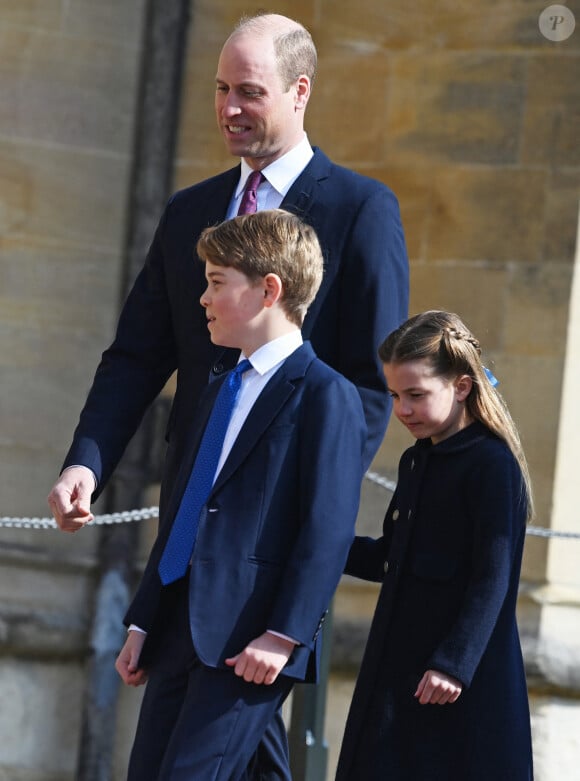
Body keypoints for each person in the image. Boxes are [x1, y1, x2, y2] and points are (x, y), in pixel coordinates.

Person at [113, 209, 366, 780]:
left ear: (268, 290)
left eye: (216, 282)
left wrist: (284, 635)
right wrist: (144, 620)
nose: (202, 298)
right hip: (179, 627)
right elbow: (186, 505)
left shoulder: (327, 395)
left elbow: (325, 528)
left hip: (251, 639)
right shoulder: (219, 387)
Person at [335, 310, 534, 781]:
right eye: (395, 396)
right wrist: (322, 546)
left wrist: (454, 664)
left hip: (457, 681)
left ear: (461, 386)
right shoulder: (415, 461)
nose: (402, 409)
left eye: (416, 395)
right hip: (397, 666)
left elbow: (494, 577)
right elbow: (392, 556)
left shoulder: (491, 464)